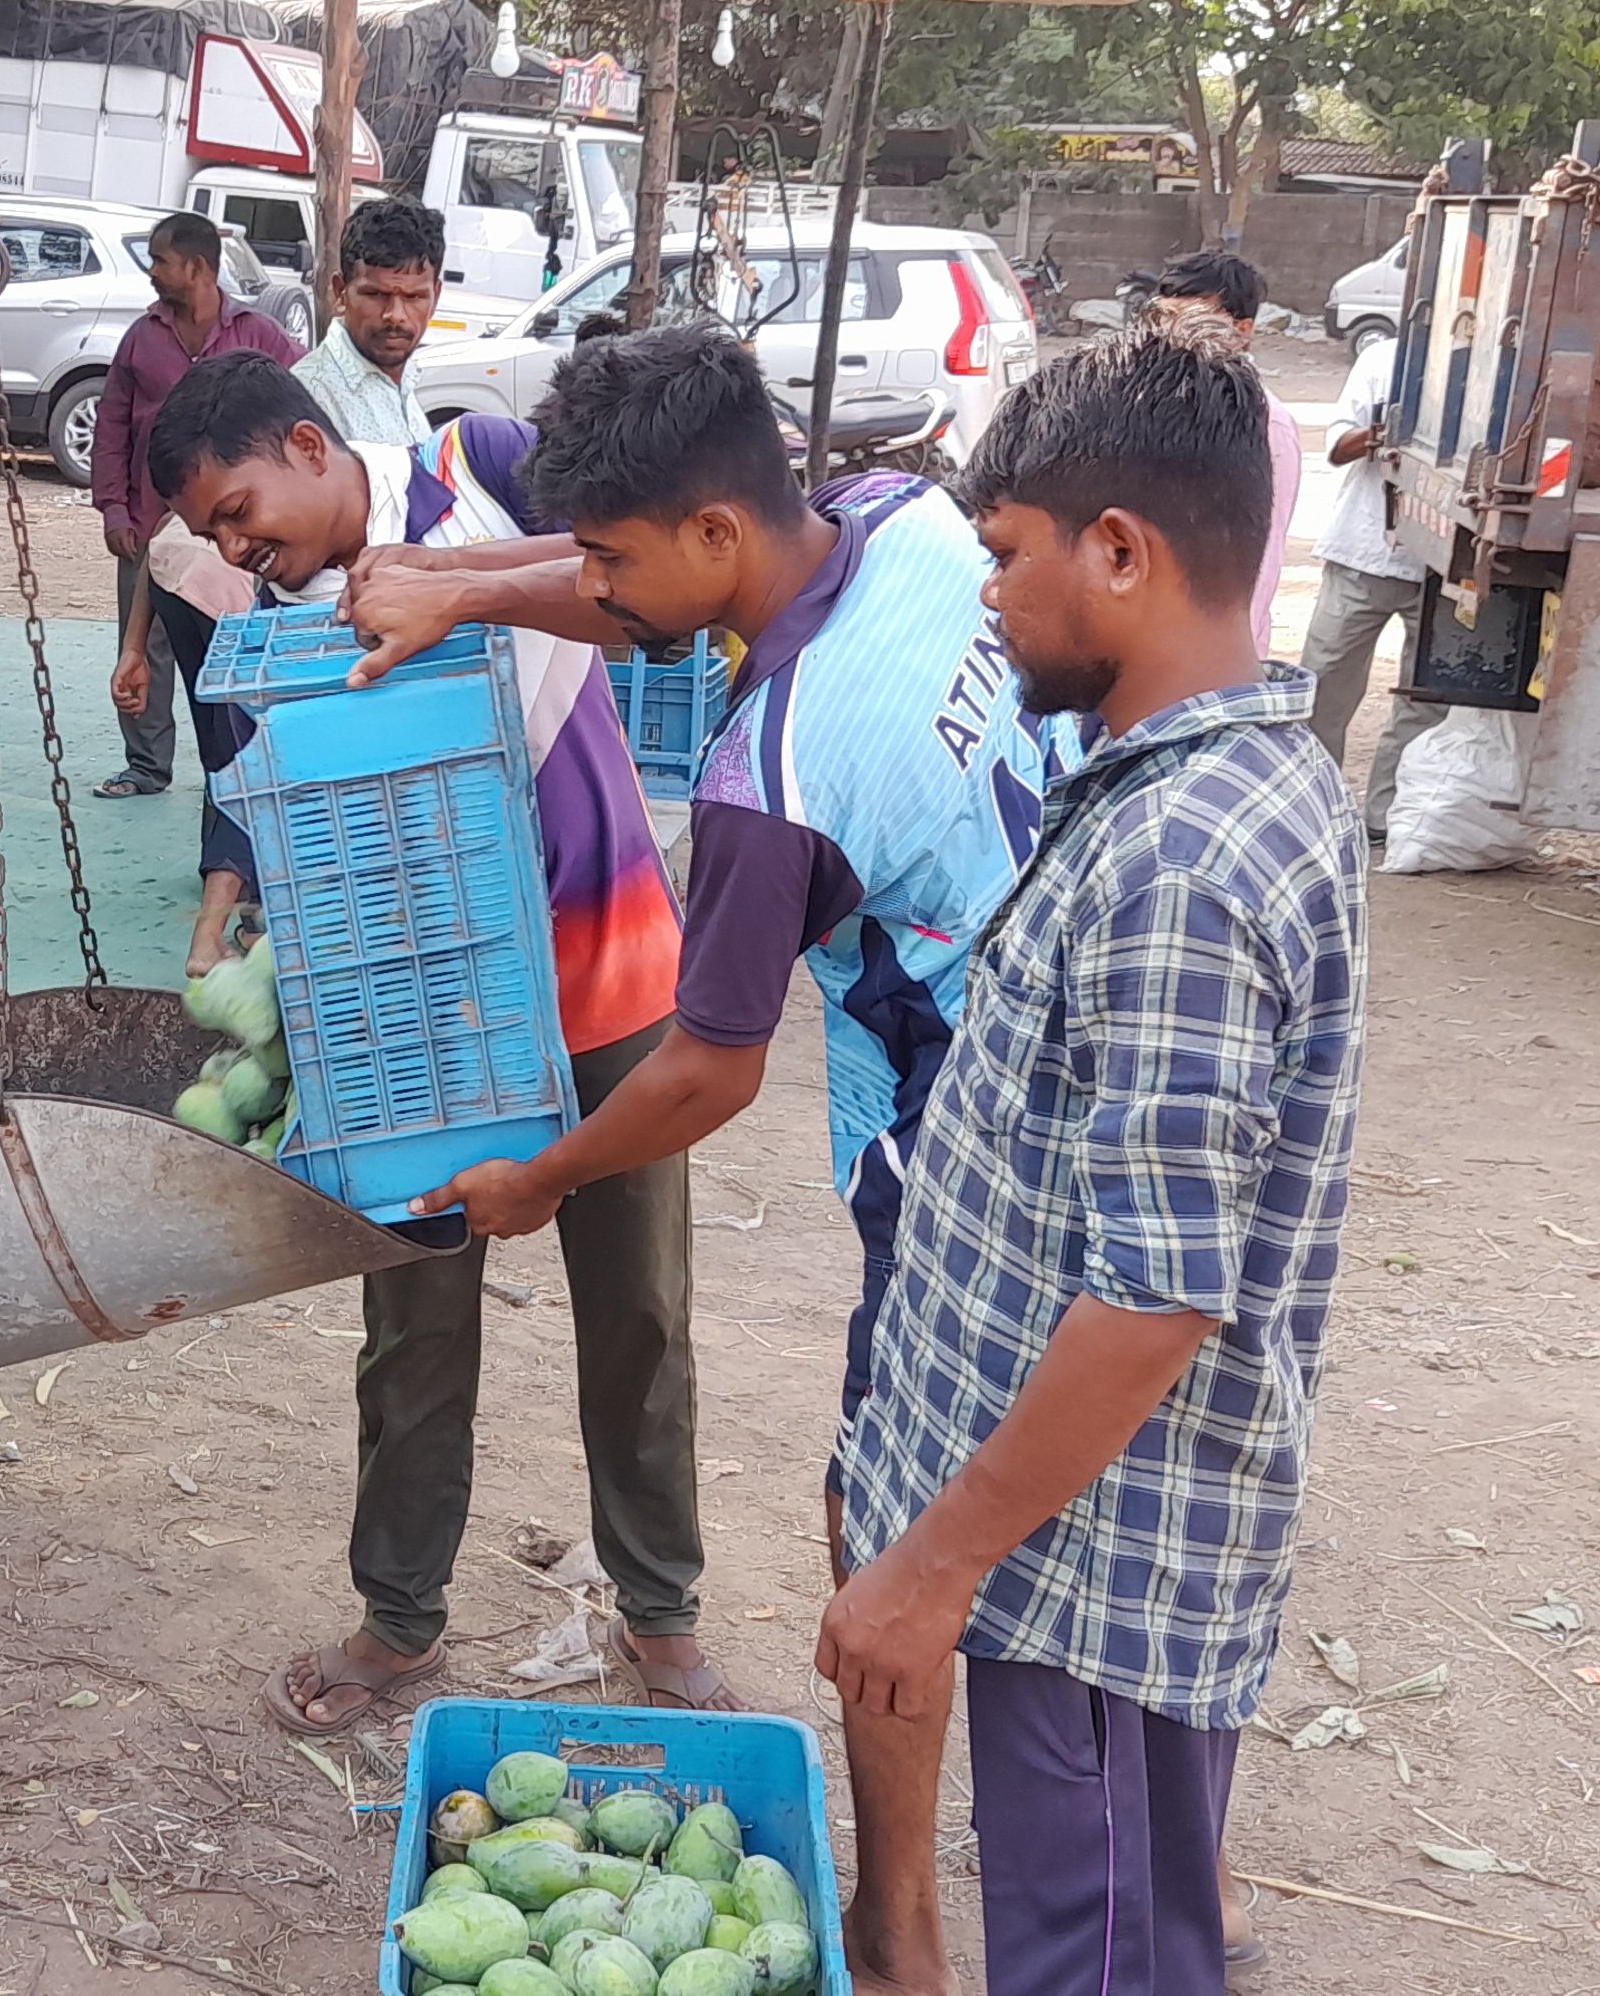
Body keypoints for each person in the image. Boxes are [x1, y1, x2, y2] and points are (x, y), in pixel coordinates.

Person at [334, 327, 1063, 1987]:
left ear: (718, 538)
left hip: (966, 1143)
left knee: (885, 1526)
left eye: (610, 555)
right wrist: (472, 589)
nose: (593, 583)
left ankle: (899, 1927)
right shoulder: (906, 519)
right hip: (1063, 1025)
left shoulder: (767, 785)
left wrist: (541, 1180)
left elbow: (706, 1075)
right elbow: (626, 577)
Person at [817, 336, 1365, 1996]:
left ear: (1117, 551)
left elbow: (1157, 1293)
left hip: (1096, 1592)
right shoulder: (1175, 790)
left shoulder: (1187, 863)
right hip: (1062, 1552)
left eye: (1003, 556)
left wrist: (929, 1564)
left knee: (1098, 1958)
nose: (983, 600)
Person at [137, 350, 720, 1731]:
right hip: (410, 1010)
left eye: (240, 509)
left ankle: (663, 1614)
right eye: (213, 534)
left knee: (638, 1309)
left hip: (604, 971)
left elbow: (651, 592)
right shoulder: (275, 633)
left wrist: (456, 582)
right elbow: (256, 793)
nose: (234, 548)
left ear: (309, 441)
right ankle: (399, 1619)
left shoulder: (488, 468)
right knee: (412, 1323)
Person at [93, 211, 297, 800]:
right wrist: (114, 507)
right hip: (148, 525)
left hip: (234, 531)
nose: (152, 271)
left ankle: (235, 771)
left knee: (229, 643)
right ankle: (146, 765)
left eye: (160, 260)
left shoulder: (259, 336)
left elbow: (304, 405)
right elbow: (111, 427)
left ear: (198, 268)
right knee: (140, 645)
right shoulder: (142, 337)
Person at [1299, 330, 1439, 845]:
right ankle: (1314, 812)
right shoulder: (1385, 358)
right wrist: (1381, 435)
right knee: (1324, 686)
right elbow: (1337, 445)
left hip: (1441, 566)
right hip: (1364, 550)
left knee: (1426, 697)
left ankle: (1388, 816)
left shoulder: (1495, 365)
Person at [1136, 250, 1299, 649]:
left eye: (1190, 322)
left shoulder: (1266, 426)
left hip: (1211, 657)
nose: (1168, 337)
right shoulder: (1143, 404)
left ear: (1242, 330)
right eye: (1163, 319)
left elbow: (1259, 556)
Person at [300, 197, 442, 446]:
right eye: (376, 295)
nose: (395, 314)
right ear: (340, 291)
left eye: (414, 297)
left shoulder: (404, 381)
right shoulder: (309, 397)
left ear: (435, 296)